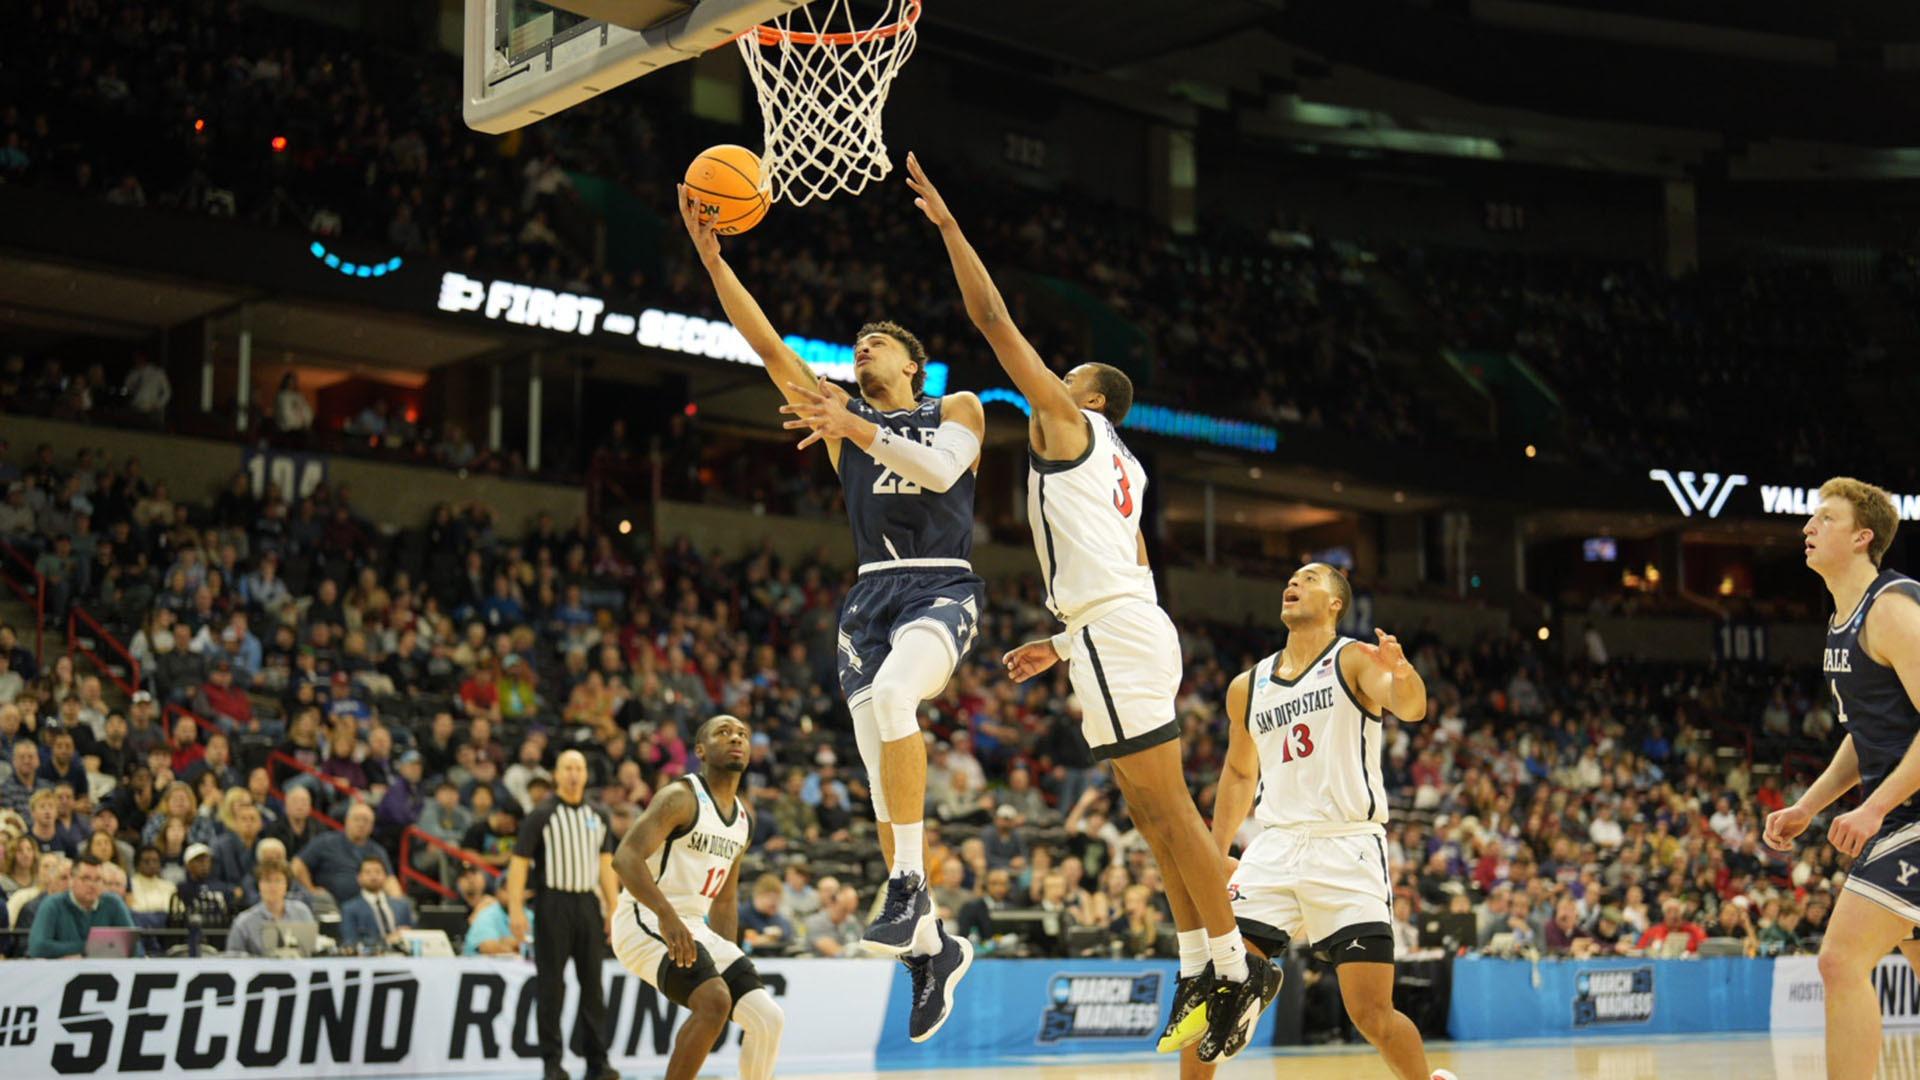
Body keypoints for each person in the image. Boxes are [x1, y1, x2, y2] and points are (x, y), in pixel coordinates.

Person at [908, 154, 1258, 1058]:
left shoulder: (1071, 424)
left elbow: (992, 320)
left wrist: (950, 227)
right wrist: (1065, 644)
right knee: (1149, 815)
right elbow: (1129, 567)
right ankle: (1198, 964)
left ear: (1090, 396)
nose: (1049, 382)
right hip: (1120, 629)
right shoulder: (1127, 469)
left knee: (1170, 810)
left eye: (1065, 376)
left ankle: (1236, 967)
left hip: (1117, 633)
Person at [683, 179, 984, 1039]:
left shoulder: (956, 409)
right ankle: (932, 947)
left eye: (876, 343)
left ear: (912, 364)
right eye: (856, 345)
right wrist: (712, 261)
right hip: (868, 599)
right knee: (881, 779)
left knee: (896, 700)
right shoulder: (836, 412)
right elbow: (765, 344)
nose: (861, 350)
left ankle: (908, 885)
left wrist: (856, 427)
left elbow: (940, 472)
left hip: (940, 583)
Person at [1191, 564, 1456, 1080]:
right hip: (1274, 846)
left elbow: (1411, 708)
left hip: (1346, 845)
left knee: (1371, 1015)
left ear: (1336, 603)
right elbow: (1240, 772)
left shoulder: (1353, 658)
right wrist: (1215, 851)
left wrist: (1403, 674)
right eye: (1292, 579)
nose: (1294, 584)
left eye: (1310, 579)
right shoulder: (1248, 686)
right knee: (1215, 991)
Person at [1764, 477, 1920, 1080]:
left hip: (1909, 816)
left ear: (1862, 537)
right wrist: (1809, 806)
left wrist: (1874, 808)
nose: (1808, 527)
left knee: (1839, 960)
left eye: (1826, 518)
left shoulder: (1892, 610)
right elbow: (1866, 735)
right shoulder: (1842, 621)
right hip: (1901, 811)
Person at [611, 715, 784, 1080]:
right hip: (644, 916)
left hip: (694, 926)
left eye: (742, 734)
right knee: (714, 1001)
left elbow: (725, 900)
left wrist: (726, 954)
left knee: (768, 1018)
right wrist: (667, 916)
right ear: (701, 751)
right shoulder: (680, 798)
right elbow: (625, 858)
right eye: (724, 732)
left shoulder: (743, 819)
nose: (736, 738)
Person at [506, 750, 621, 1080]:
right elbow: (519, 863)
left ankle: (597, 1062)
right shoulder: (541, 815)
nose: (573, 774)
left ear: (586, 775)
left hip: (587, 904)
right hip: (552, 904)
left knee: (593, 988)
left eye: (579, 768)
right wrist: (516, 909)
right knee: (551, 987)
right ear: (556, 774)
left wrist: (614, 909)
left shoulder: (598, 814)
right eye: (567, 768)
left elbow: (606, 865)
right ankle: (552, 1063)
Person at [27, 854, 132, 958]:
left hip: (105, 967)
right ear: (72, 880)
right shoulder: (53, 904)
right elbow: (37, 948)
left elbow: (133, 946)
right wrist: (91, 947)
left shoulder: (113, 903)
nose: (92, 885)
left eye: (98, 879)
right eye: (86, 878)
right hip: (62, 968)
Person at [293, 802, 397, 902]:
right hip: (330, 906)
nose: (361, 824)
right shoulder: (326, 842)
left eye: (366, 821)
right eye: (356, 819)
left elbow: (390, 880)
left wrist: (398, 902)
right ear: (347, 821)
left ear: (372, 826)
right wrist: (311, 890)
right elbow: (297, 864)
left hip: (368, 907)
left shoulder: (378, 851)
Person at [228, 861, 315, 956]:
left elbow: (313, 949)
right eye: (267, 881)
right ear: (259, 885)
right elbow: (232, 959)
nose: (272, 886)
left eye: (278, 880)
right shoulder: (243, 922)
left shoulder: (302, 912)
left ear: (287, 885)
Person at [339, 856, 416, 950]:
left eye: (378, 872)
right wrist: (386, 941)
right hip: (370, 957)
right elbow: (350, 942)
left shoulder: (402, 905)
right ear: (359, 878)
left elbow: (416, 933)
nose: (373, 876)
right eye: (368, 872)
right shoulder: (350, 909)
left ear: (385, 876)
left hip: (404, 955)